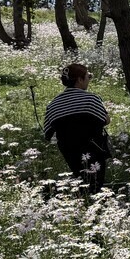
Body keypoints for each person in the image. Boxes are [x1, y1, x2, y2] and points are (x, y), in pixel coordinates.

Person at [43, 63, 111, 193]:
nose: (88, 80)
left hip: (68, 149)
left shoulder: (53, 104)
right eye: (88, 76)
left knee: (81, 177)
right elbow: (106, 120)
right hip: (93, 147)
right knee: (96, 181)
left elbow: (48, 133)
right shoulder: (91, 99)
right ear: (79, 79)